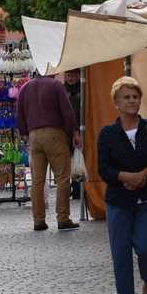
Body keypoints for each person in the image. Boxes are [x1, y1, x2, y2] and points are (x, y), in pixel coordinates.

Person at [97, 77, 147, 294]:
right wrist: (125, 177)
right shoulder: (107, 134)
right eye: (126, 97)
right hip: (119, 201)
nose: (132, 101)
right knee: (121, 252)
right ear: (116, 102)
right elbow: (103, 169)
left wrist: (142, 176)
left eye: (135, 96)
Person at [16, 73, 81, 231]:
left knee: (37, 181)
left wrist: (25, 133)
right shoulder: (56, 85)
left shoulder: (25, 88)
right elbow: (67, 111)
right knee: (62, 178)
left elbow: (19, 114)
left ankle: (38, 220)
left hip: (34, 136)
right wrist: (73, 131)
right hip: (55, 134)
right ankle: (63, 218)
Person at [64, 69, 82, 200]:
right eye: (68, 75)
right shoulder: (62, 90)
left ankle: (78, 189)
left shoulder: (82, 89)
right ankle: (72, 188)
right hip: (65, 130)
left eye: (72, 76)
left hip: (80, 129)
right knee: (67, 160)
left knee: (79, 158)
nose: (70, 78)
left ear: (78, 76)